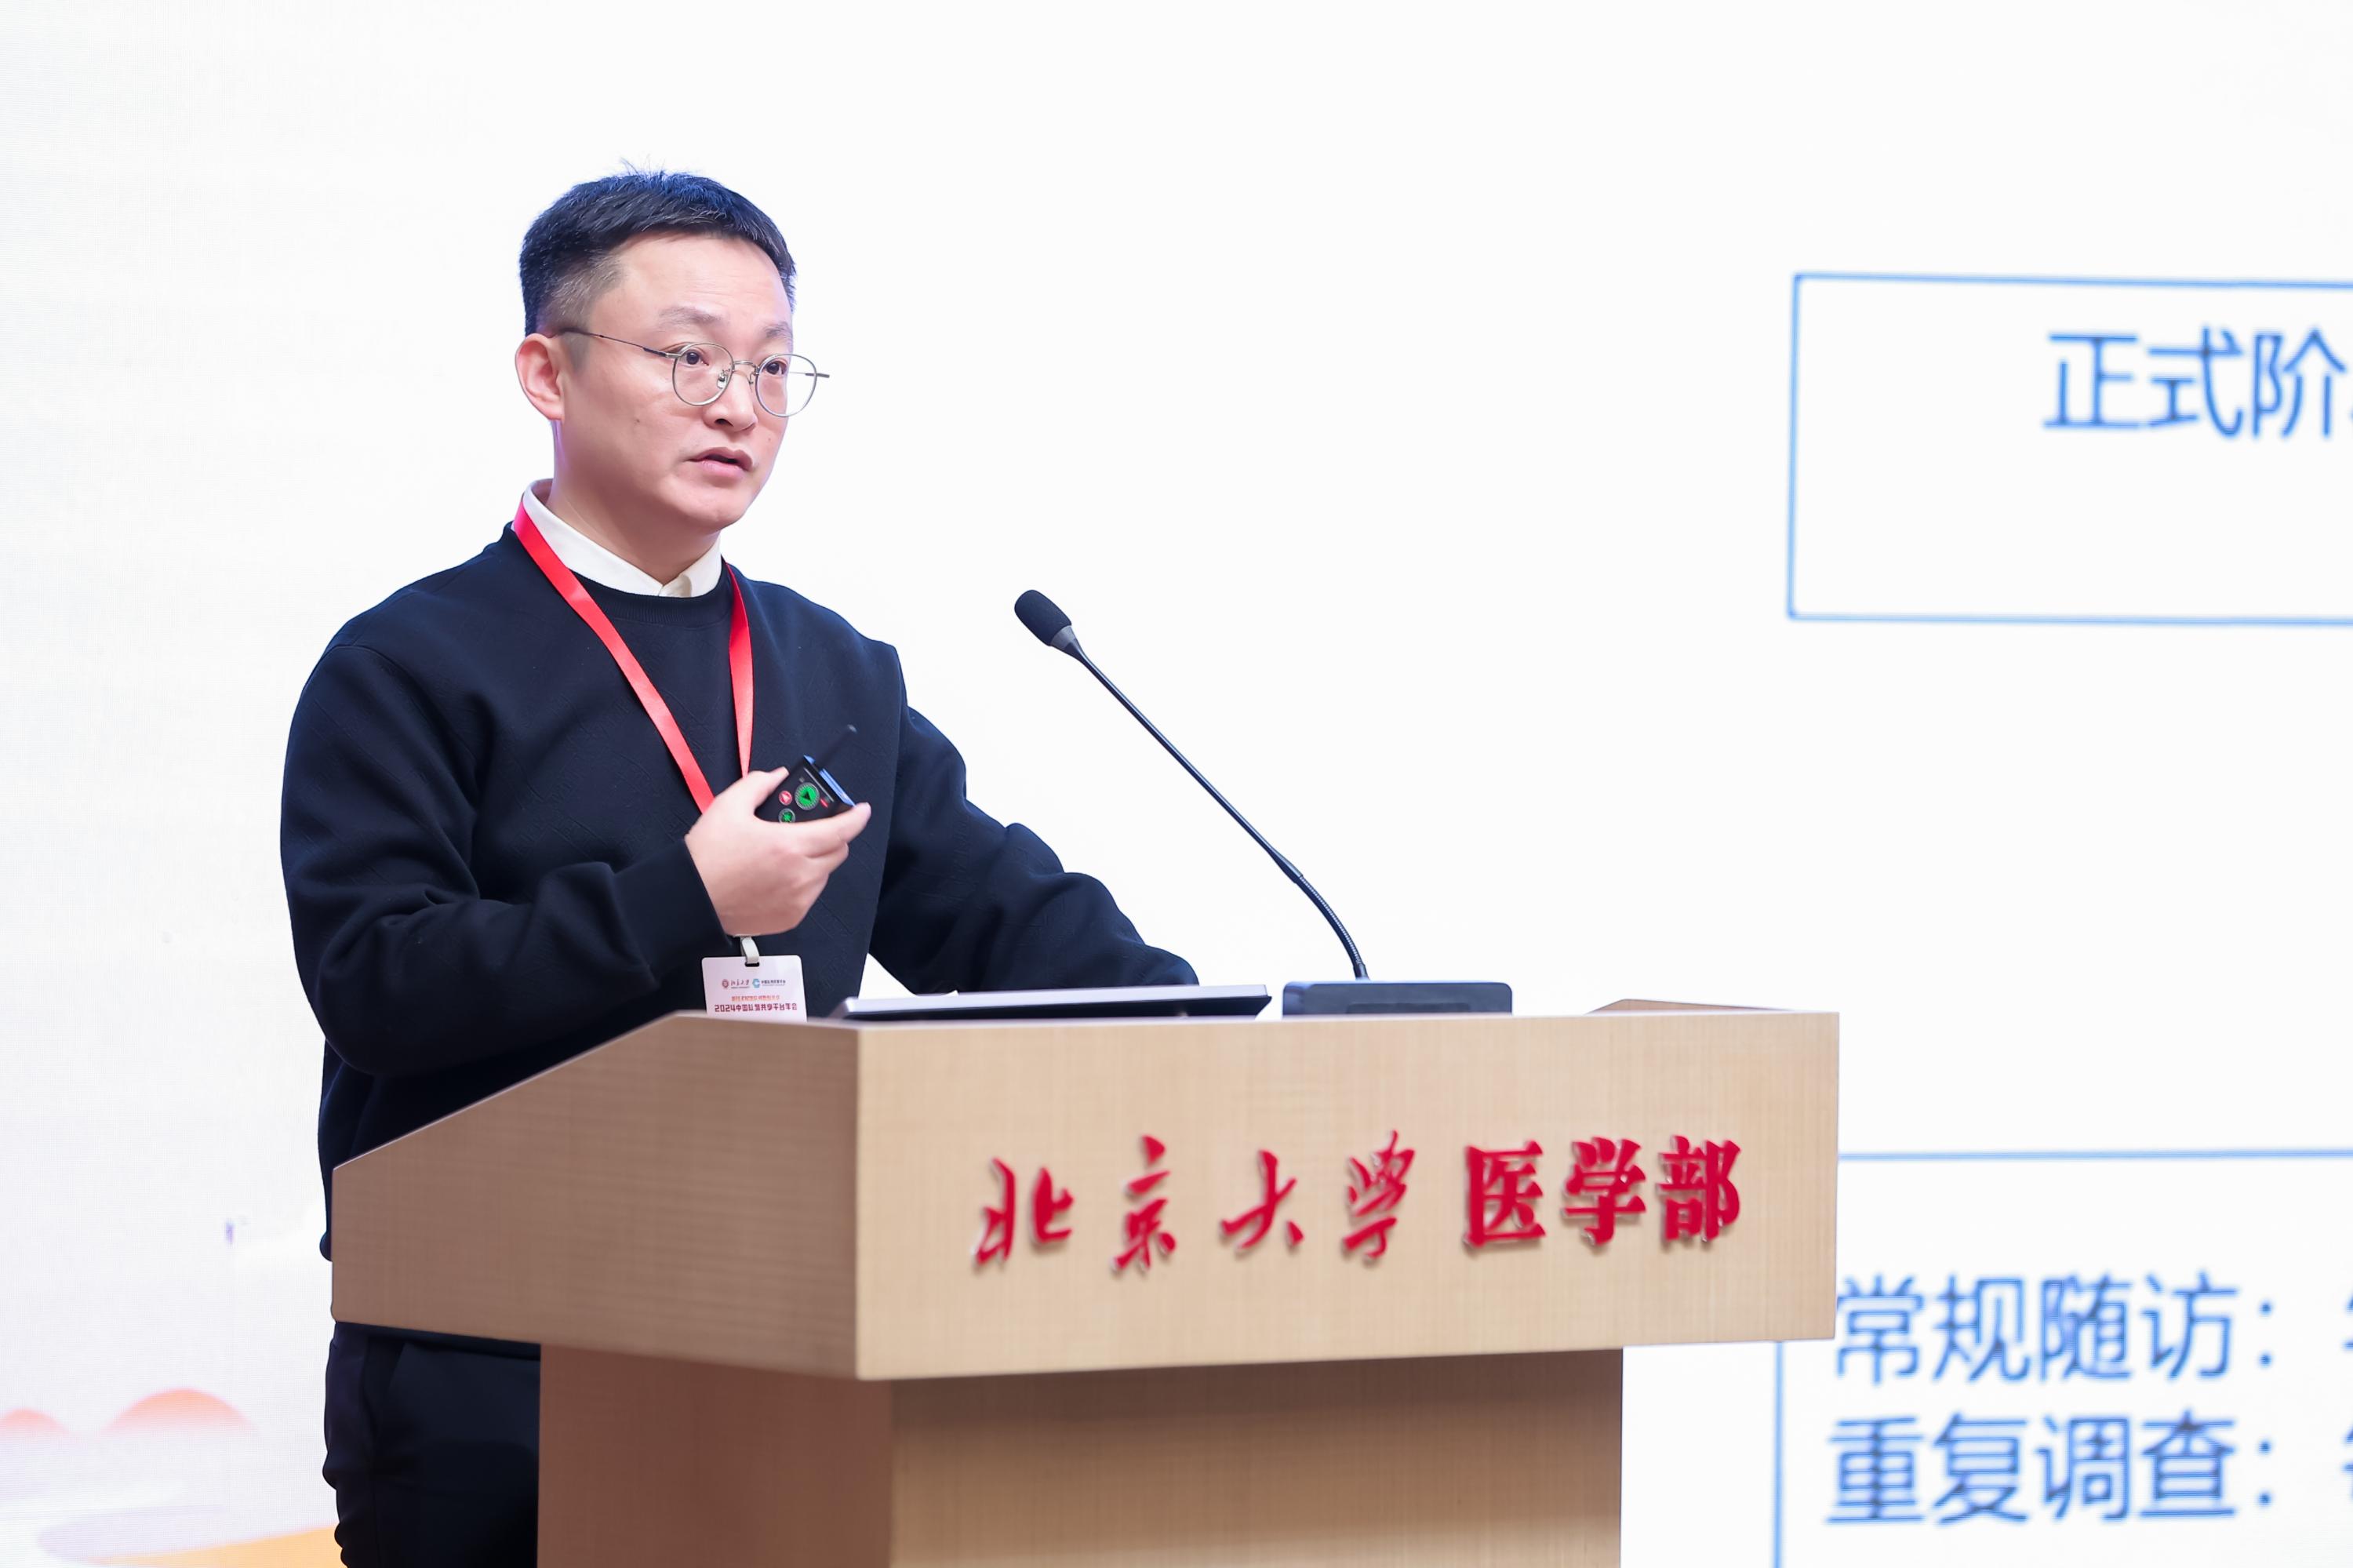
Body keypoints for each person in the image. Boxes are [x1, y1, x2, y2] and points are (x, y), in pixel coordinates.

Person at [280, 170, 1194, 1568]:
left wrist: (1219, 1028)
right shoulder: (411, 664)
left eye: (773, 369)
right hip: (500, 1372)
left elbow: (1005, 919)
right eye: (689, 357)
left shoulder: (830, 673)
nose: (738, 407)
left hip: (785, 1348)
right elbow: (379, 981)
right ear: (547, 372)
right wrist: (686, 899)